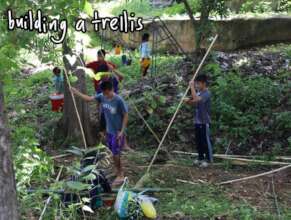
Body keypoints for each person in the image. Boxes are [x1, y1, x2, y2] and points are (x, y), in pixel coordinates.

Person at [70, 81, 128, 186]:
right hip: (109, 130)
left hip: (118, 132)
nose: (105, 95)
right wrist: (76, 92)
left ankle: (120, 175)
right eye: (104, 93)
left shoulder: (118, 100)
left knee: (116, 154)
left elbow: (125, 115)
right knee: (113, 153)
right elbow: (89, 99)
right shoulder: (102, 96)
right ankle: (117, 171)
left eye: (106, 93)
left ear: (111, 90)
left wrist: (122, 131)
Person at [185, 74, 213, 168]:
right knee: (199, 141)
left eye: (198, 84)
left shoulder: (207, 93)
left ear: (204, 83)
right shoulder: (199, 92)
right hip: (197, 121)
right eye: (196, 84)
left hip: (204, 121)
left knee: (205, 141)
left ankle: (208, 159)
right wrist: (187, 101)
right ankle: (200, 157)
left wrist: (191, 87)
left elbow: (196, 99)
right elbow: (195, 102)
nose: (197, 86)